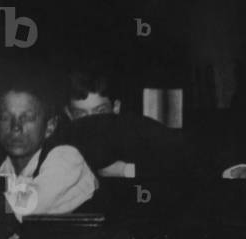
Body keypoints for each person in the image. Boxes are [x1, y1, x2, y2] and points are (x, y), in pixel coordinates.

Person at [58, 65, 197, 180]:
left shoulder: (137, 131)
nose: (91, 122)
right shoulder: (62, 146)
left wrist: (124, 170)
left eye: (100, 112)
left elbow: (183, 166)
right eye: (81, 115)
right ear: (69, 114)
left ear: (116, 107)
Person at [0, 75, 98, 219]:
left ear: (50, 127)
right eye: (5, 118)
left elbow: (26, 204)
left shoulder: (66, 159)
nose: (15, 127)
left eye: (27, 118)